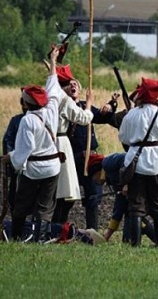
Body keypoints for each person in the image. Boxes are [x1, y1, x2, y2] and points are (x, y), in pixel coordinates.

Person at [7, 46, 64, 242]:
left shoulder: (27, 120)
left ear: (27, 103)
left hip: (33, 168)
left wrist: (12, 160)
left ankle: (15, 237)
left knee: (22, 203)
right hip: (53, 167)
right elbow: (53, 85)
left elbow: (25, 149)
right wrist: (54, 62)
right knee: (45, 206)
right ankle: (40, 240)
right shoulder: (52, 109)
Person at [118, 77, 158, 247]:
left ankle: (136, 244)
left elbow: (123, 137)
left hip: (136, 160)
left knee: (136, 207)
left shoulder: (131, 114)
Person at [53, 64, 119, 228]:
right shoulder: (61, 105)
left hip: (90, 157)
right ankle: (58, 227)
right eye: (70, 84)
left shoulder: (85, 106)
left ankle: (92, 230)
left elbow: (104, 117)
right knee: (66, 195)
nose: (73, 85)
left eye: (76, 84)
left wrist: (111, 105)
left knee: (93, 196)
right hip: (70, 157)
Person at [52, 65, 94, 223]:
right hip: (60, 142)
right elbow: (84, 118)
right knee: (65, 188)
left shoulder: (48, 96)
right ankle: (58, 224)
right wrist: (88, 104)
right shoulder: (65, 100)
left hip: (47, 141)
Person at [86, 152, 158, 243]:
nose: (95, 181)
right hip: (135, 185)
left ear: (97, 171)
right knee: (127, 236)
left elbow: (127, 160)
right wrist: (107, 236)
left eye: (94, 178)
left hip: (141, 179)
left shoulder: (107, 163)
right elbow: (119, 206)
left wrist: (126, 183)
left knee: (135, 213)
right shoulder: (111, 178)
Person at [2, 97, 28, 211]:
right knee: (14, 191)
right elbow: (8, 140)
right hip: (18, 163)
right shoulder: (16, 120)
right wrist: (12, 159)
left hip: (35, 163)